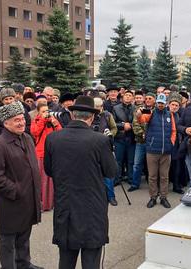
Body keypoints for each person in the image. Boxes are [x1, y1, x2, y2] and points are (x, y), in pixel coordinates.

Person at [44, 96, 117, 269]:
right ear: (91, 117)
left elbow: (49, 171)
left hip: (65, 205)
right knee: (91, 261)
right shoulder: (100, 140)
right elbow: (111, 172)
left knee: (66, 261)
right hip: (92, 208)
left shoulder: (53, 138)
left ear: (71, 115)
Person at [0, 102, 43, 269]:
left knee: (24, 235)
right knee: (8, 239)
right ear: (6, 123)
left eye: (22, 119)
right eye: (16, 120)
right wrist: (16, 190)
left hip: (29, 198)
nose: (21, 123)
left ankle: (23, 264)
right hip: (12, 201)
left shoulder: (26, 138)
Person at [137, 94, 177, 208]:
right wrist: (139, 115)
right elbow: (142, 119)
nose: (160, 105)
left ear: (165, 104)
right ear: (156, 103)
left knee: (164, 177)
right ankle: (153, 197)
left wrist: (172, 142)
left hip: (166, 152)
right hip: (152, 150)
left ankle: (163, 197)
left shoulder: (170, 115)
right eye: (159, 103)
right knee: (152, 176)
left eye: (162, 103)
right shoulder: (151, 113)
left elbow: (173, 131)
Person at [31, 103, 61, 211]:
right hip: (40, 154)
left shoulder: (52, 120)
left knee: (51, 180)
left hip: (52, 153)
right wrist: (43, 120)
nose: (46, 113)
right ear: (38, 112)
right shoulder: (36, 121)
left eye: (47, 111)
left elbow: (60, 134)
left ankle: (51, 203)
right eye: (43, 111)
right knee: (42, 180)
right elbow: (35, 132)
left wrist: (55, 123)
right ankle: (42, 203)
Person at [92, 97, 118, 206]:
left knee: (108, 173)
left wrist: (110, 134)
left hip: (106, 146)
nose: (98, 109)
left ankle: (111, 196)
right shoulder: (90, 115)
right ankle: (96, 196)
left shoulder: (107, 115)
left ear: (102, 106)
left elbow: (114, 128)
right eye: (95, 107)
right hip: (92, 147)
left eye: (99, 107)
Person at [129, 92, 156, 192]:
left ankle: (152, 184)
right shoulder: (139, 110)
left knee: (152, 165)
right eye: (147, 98)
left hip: (152, 142)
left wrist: (150, 135)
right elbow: (135, 124)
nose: (148, 100)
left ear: (154, 100)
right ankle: (135, 184)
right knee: (137, 164)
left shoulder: (157, 111)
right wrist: (142, 133)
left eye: (150, 98)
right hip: (140, 141)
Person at [112, 90, 136, 185]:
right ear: (122, 97)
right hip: (119, 138)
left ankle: (131, 179)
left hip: (131, 138)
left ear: (132, 98)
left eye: (130, 95)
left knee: (131, 161)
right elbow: (112, 123)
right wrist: (122, 126)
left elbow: (139, 122)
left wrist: (129, 125)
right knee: (118, 160)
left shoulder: (136, 108)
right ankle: (117, 179)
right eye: (126, 95)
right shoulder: (116, 108)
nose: (128, 97)